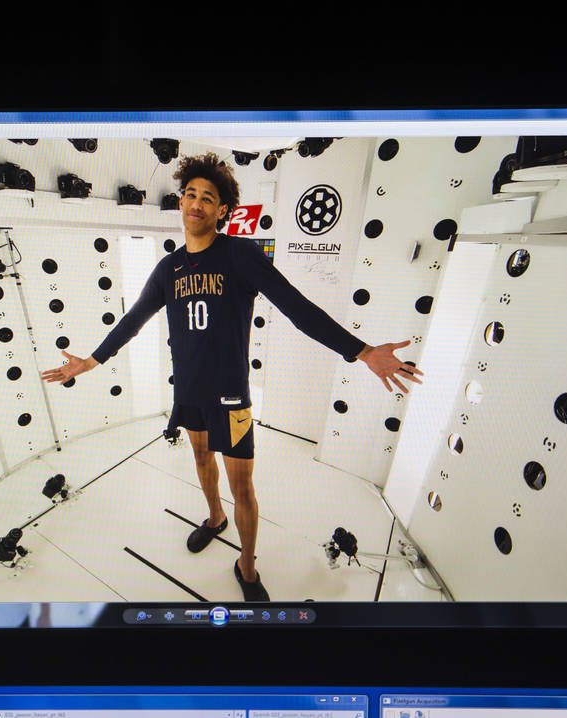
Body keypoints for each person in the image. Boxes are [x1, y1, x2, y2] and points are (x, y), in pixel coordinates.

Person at [40, 152, 424, 601]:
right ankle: (214, 517)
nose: (197, 203)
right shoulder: (169, 269)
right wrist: (91, 360)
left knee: (243, 484)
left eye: (208, 197)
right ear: (181, 202)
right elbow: (133, 320)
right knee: (201, 460)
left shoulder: (240, 253)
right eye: (190, 194)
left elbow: (297, 309)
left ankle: (246, 565)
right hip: (189, 392)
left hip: (230, 397)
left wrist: (361, 352)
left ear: (223, 211)